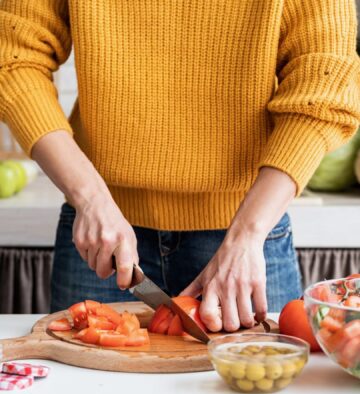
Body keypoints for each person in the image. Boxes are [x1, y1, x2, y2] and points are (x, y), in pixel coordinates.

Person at [0, 1, 359, 332]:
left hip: (247, 238)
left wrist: (247, 234)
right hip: (103, 234)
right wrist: (90, 197)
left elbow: (325, 87)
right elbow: (13, 60)